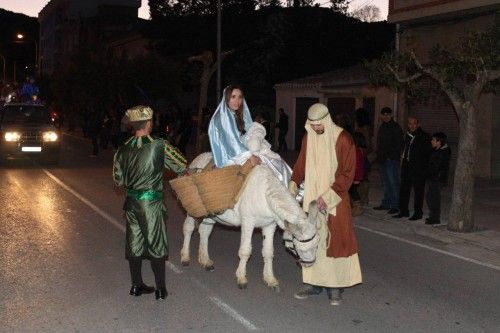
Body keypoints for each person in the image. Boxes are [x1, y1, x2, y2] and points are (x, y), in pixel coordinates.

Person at [289, 103, 362, 306]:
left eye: (319, 125)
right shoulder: (308, 137)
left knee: (335, 242)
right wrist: (294, 182)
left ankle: (335, 287)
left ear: (327, 120)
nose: (316, 129)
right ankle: (312, 283)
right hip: (311, 200)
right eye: (312, 125)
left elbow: (347, 174)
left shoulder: (343, 139)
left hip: (334, 201)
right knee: (312, 242)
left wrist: (328, 196)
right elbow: (301, 163)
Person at [113, 105, 187, 300]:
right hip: (151, 204)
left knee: (134, 242)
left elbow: (118, 180)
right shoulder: (159, 145)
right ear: (148, 123)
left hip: (131, 203)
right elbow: (180, 163)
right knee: (156, 244)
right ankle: (161, 290)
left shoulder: (123, 148)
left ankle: (136, 286)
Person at [208, 85, 260, 168]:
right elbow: (232, 141)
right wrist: (250, 156)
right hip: (227, 157)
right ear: (226, 98)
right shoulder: (223, 116)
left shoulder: (233, 114)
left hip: (234, 152)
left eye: (240, 97)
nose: (237, 101)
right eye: (233, 97)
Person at [393, 116, 432, 220]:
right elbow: (405, 150)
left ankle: (418, 213)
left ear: (418, 124)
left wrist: (423, 168)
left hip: (418, 169)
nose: (412, 125)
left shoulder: (424, 136)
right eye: (410, 123)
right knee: (404, 190)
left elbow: (427, 154)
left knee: (418, 192)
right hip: (407, 166)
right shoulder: (407, 135)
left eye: (414, 123)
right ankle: (403, 211)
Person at [373, 107, 403, 215]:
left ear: (391, 115)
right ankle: (386, 203)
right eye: (384, 114)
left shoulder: (395, 127)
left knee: (393, 182)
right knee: (386, 183)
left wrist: (390, 156)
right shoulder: (382, 127)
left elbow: (399, 144)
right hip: (383, 160)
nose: (386, 116)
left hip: (391, 160)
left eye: (388, 114)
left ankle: (395, 205)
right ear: (381, 115)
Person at [425, 132, 451, 225]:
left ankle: (435, 218)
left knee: (434, 198)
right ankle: (433, 216)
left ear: (439, 142)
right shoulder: (436, 150)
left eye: (433, 140)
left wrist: (428, 172)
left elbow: (436, 167)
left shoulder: (442, 153)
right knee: (430, 197)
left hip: (437, 179)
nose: (431, 141)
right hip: (433, 178)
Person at [350, 132, 367, 217]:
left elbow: (357, 166)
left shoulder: (356, 151)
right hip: (356, 175)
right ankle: (354, 207)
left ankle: (358, 207)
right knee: (352, 191)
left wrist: (357, 178)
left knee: (353, 191)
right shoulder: (360, 150)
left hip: (355, 176)